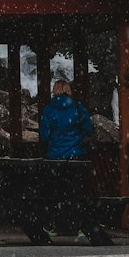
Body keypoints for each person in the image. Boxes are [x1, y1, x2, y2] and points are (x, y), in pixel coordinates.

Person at [39, 78, 94, 241]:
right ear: (69, 90)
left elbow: (44, 135)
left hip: (54, 157)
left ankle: (54, 225)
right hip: (76, 156)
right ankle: (80, 226)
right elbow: (87, 129)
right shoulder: (78, 107)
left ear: (54, 91)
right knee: (77, 192)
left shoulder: (48, 110)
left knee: (56, 193)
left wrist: (54, 143)